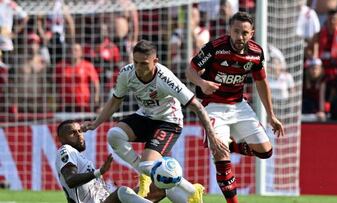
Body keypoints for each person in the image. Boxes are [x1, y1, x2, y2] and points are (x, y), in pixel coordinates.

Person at [82, 40, 228, 203]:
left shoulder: (165, 78)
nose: (139, 68)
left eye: (144, 64)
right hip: (146, 116)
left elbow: (197, 107)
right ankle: (147, 174)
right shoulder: (127, 73)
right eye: (135, 62)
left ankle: (191, 190)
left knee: (148, 166)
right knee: (114, 135)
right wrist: (95, 123)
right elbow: (115, 101)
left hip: (169, 122)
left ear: (155, 62)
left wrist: (212, 135)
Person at [186, 12, 284, 203]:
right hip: (212, 106)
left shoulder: (256, 53)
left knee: (265, 151)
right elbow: (190, 70)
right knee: (221, 159)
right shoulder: (215, 48)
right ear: (229, 30)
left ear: (252, 33)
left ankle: (230, 145)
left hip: (238, 105)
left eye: (245, 33)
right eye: (236, 31)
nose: (240, 36)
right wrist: (202, 83)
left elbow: (262, 82)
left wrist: (271, 115)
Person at [55, 120, 153, 203]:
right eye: (73, 133)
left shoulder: (80, 158)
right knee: (122, 191)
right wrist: (99, 172)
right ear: (62, 139)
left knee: (157, 186)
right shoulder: (66, 149)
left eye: (80, 131)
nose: (79, 135)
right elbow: (71, 180)